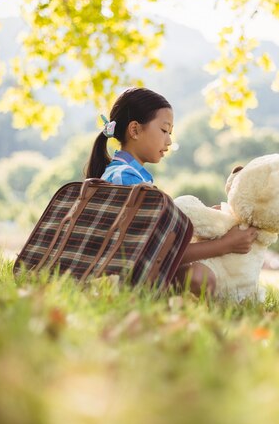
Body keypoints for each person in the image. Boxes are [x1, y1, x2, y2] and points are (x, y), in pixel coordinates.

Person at [86, 87, 258, 296]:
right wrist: (225, 245)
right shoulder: (129, 181)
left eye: (170, 133)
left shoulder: (121, 174)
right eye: (164, 130)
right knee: (200, 276)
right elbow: (159, 252)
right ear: (135, 130)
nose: (168, 141)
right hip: (125, 280)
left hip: (126, 273)